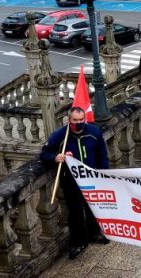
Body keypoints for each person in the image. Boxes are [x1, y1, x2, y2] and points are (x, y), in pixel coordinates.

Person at [40, 107, 110, 259]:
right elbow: (44, 154)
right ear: (69, 120)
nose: (78, 123)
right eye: (75, 120)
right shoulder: (59, 136)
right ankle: (78, 242)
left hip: (92, 178)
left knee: (93, 207)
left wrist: (104, 174)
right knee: (75, 212)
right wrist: (55, 157)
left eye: (81, 120)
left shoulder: (94, 132)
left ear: (85, 119)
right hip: (71, 180)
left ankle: (94, 233)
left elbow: (102, 155)